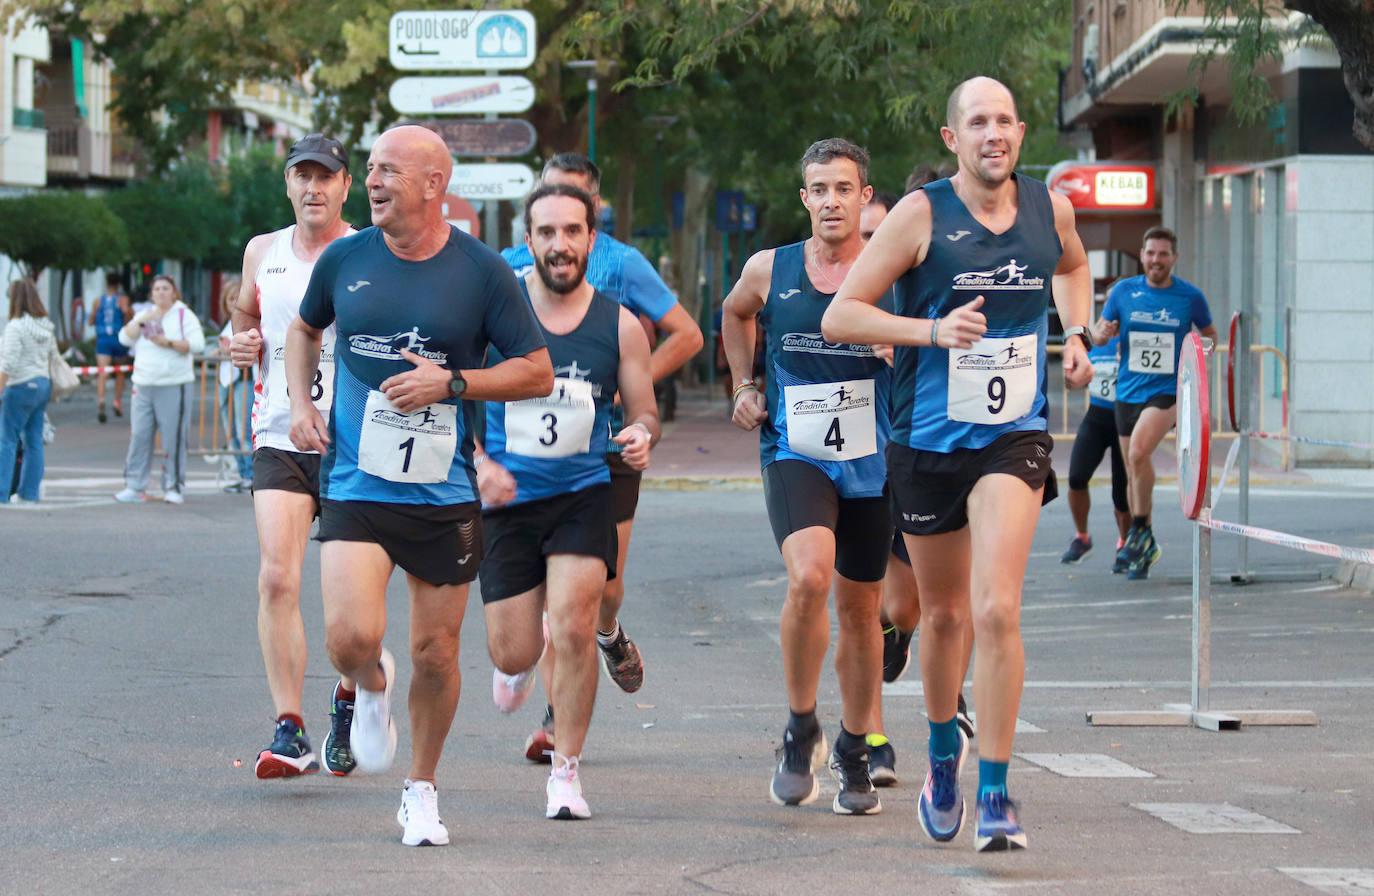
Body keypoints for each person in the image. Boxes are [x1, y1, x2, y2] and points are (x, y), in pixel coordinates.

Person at [822, 76, 1095, 851]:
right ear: (953, 139)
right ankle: (944, 753)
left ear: (1020, 131)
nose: (993, 134)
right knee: (942, 616)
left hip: (1013, 437)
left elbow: (1072, 268)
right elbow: (845, 314)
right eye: (977, 122)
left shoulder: (1050, 207)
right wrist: (930, 333)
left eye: (1005, 120)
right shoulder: (920, 215)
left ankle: (998, 791)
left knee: (997, 607)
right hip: (928, 443)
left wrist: (1075, 333)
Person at [286, 125, 552, 847]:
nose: (372, 182)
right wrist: (303, 405)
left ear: (435, 185)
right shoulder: (345, 258)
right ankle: (370, 686)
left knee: (437, 652)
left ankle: (422, 789)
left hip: (441, 494)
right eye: (369, 170)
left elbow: (537, 371)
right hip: (356, 483)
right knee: (348, 638)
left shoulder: (483, 271)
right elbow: (303, 331)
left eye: (388, 172)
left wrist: (454, 381)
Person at [501, 153, 703, 762]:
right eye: (549, 208)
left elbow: (687, 334)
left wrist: (622, 387)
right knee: (555, 604)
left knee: (600, 594)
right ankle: (556, 716)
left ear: (594, 217)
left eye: (576, 211)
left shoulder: (622, 262)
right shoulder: (510, 269)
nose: (561, 237)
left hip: (604, 444)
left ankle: (607, 635)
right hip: (524, 454)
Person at [478, 183, 659, 820]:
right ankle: (516, 665)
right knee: (513, 649)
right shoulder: (497, 315)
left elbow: (643, 412)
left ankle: (566, 773)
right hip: (509, 499)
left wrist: (639, 434)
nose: (560, 245)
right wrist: (478, 464)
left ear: (591, 238)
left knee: (578, 625)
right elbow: (457, 396)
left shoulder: (619, 323)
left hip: (584, 494)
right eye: (547, 232)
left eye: (572, 232)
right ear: (529, 241)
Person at [723, 138, 889, 816]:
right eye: (818, 189)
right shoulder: (771, 268)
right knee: (809, 576)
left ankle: (853, 744)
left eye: (843, 188)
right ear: (804, 198)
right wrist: (742, 382)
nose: (830, 200)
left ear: (864, 196)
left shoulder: (891, 271)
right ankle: (799, 728)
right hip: (796, 449)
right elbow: (734, 314)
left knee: (860, 611)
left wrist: (896, 346)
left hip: (874, 458)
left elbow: (932, 340)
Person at [228, 133, 360, 779]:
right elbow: (243, 317)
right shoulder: (263, 250)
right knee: (277, 578)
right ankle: (289, 727)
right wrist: (241, 343)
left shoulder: (368, 249)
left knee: (349, 614)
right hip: (279, 432)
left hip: (352, 444)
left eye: (324, 177)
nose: (313, 188)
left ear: (345, 186)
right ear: (288, 186)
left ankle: (347, 695)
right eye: (301, 177)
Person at [1093, 227, 1216, 580]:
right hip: (1128, 390)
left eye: (1163, 254)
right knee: (1135, 469)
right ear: (1142, 255)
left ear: (1174, 258)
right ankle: (1143, 545)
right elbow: (1101, 329)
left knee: (1136, 454)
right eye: (1150, 253)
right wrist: (1101, 334)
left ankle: (1140, 531)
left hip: (1167, 393)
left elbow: (1210, 336)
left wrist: (1195, 366)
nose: (1156, 260)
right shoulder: (1123, 291)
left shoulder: (1189, 297)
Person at [114, 275, 206, 505]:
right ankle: (134, 485)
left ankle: (174, 486)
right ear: (151, 293)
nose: (161, 292)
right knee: (139, 435)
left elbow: (198, 344)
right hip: (144, 383)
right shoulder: (145, 314)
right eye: (157, 289)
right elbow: (124, 338)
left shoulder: (184, 314)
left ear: (174, 292)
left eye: (166, 288)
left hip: (174, 383)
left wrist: (169, 342)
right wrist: (142, 320)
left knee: (173, 437)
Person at [1061, 334, 1131, 568]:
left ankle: (1125, 542)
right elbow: (1071, 379)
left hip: (1126, 419)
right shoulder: (1092, 342)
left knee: (1121, 494)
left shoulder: (1135, 336)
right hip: (1097, 417)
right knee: (1076, 477)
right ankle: (1082, 538)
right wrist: (1071, 378)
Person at [0, 280, 56, 504]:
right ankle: (29, 493)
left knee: (7, 440)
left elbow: (8, 363)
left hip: (20, 386)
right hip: (42, 384)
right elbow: (52, 356)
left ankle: (1, 493)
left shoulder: (16, 326)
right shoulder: (46, 326)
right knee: (34, 441)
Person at [215, 278, 254, 494]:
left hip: (244, 379)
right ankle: (238, 471)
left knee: (243, 429)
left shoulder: (250, 321)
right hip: (226, 379)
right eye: (230, 298)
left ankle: (248, 473)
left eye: (238, 297)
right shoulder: (227, 324)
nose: (234, 302)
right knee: (230, 430)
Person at [92, 273, 131, 423]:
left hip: (103, 339)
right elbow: (127, 318)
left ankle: (101, 400)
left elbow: (91, 321)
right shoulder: (122, 300)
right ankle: (117, 401)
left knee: (103, 372)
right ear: (119, 285)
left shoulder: (98, 301)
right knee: (120, 371)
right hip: (118, 337)